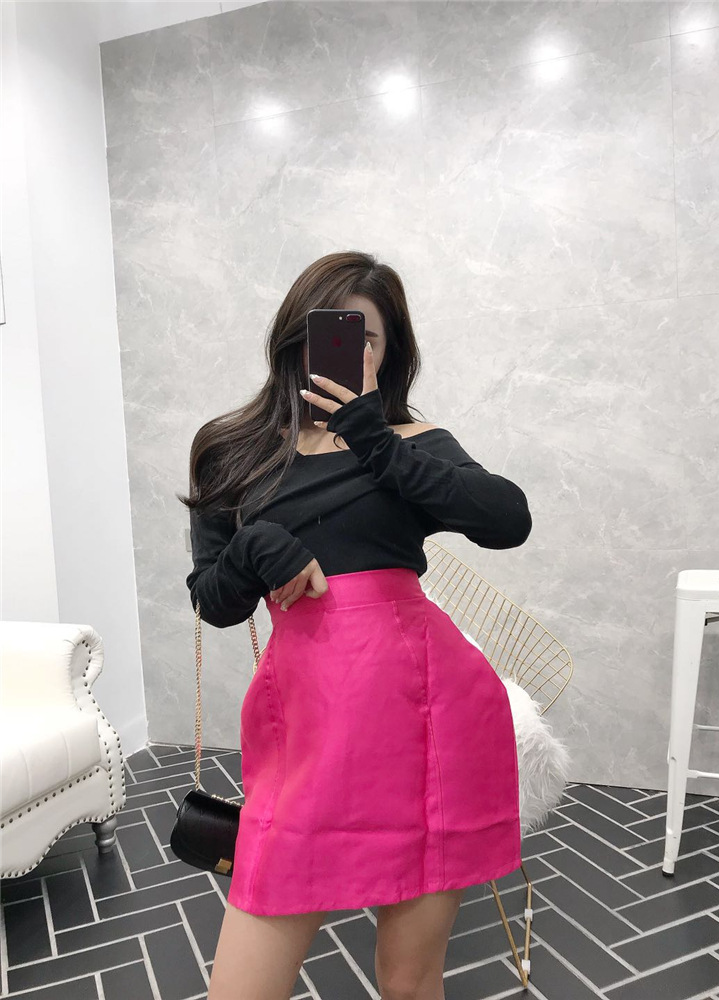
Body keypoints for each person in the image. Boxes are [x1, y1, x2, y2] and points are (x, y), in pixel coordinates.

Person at [179, 250, 532, 1000]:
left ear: (388, 352)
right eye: (329, 330)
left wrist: (372, 435)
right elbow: (215, 600)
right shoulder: (230, 450)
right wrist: (256, 545)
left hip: (429, 719)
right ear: (292, 338)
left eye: (364, 337)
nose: (343, 349)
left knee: (409, 982)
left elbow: (508, 520)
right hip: (309, 728)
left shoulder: (407, 442)